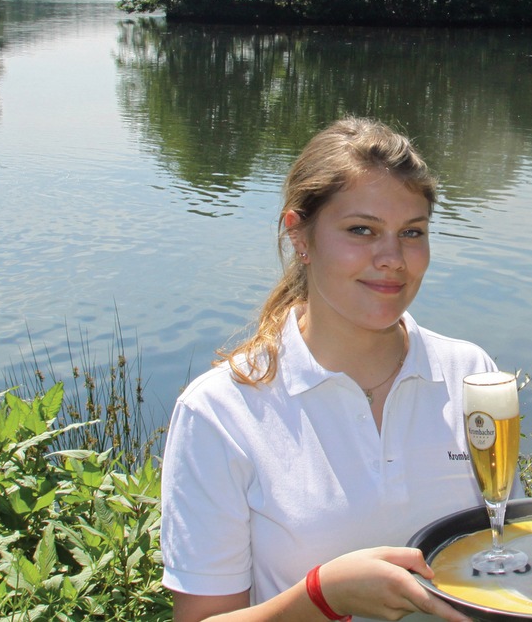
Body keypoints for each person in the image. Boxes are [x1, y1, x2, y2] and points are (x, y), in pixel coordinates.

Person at [161, 117, 499, 622]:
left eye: (412, 232)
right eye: (361, 230)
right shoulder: (221, 412)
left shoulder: (472, 373)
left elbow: (504, 561)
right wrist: (320, 597)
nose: (391, 259)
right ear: (300, 236)